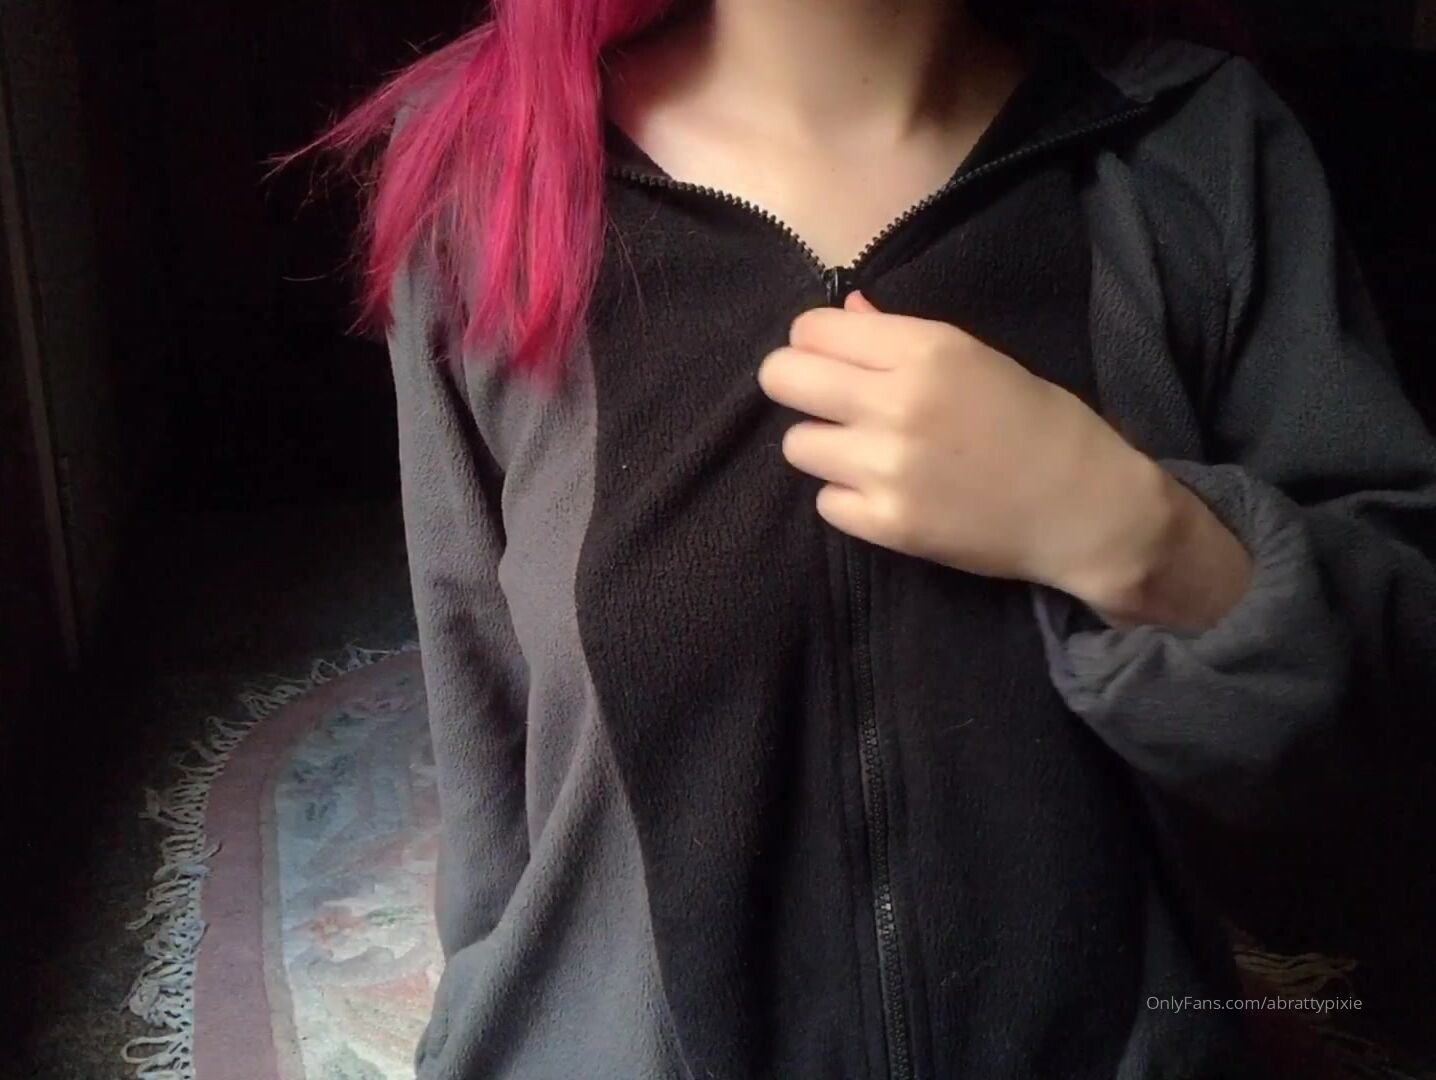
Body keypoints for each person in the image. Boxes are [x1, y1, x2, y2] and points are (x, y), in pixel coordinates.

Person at [295, 0, 1436, 1076]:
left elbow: (1390, 727)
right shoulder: (489, 177)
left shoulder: (1198, 151)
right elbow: (484, 713)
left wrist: (1140, 539)